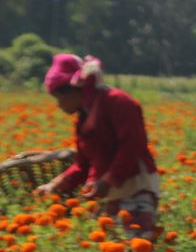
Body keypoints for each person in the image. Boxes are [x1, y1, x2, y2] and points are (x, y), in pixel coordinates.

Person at [37, 55, 161, 237]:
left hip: (135, 186)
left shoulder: (118, 102)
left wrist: (107, 181)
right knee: (109, 251)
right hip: (108, 190)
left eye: (58, 97)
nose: (59, 105)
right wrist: (54, 185)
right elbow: (83, 164)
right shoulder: (84, 117)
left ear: (73, 90)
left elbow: (132, 148)